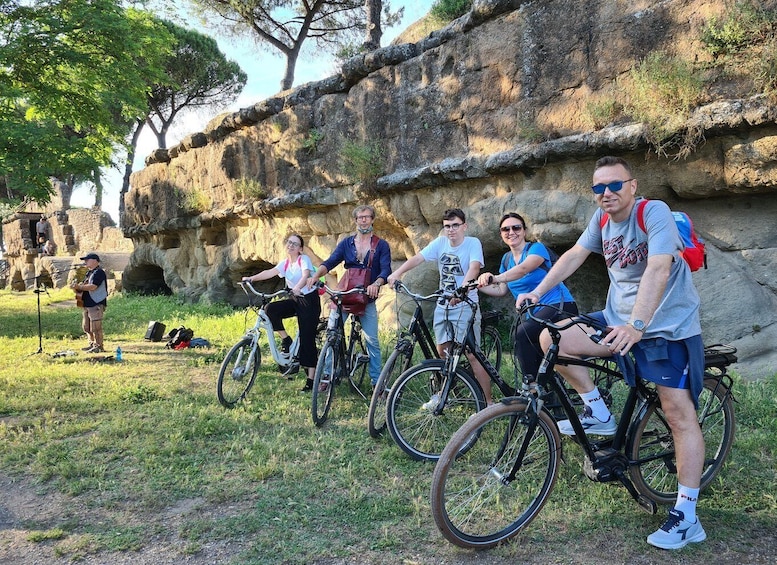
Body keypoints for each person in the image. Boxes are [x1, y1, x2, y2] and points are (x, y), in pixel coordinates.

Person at [517, 156, 707, 550]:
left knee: (677, 413)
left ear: (632, 185)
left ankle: (688, 515)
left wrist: (636, 326)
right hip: (616, 318)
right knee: (553, 339)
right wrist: (537, 291)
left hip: (664, 327)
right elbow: (572, 256)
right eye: (598, 188)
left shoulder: (654, 213)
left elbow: (657, 269)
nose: (606, 194)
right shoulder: (601, 220)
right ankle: (597, 410)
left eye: (614, 185)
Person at [388, 208, 493, 403]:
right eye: (447, 227)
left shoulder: (472, 243)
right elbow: (418, 258)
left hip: (465, 304)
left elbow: (474, 267)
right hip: (443, 304)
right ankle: (444, 392)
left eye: (455, 225)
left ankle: (488, 402)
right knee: (442, 351)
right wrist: (397, 273)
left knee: (472, 354)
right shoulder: (440, 243)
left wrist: (461, 291)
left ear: (464, 226)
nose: (451, 230)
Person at [477, 212, 578, 383]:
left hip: (560, 305)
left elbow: (523, 269)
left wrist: (496, 277)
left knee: (523, 334)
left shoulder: (536, 249)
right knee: (535, 350)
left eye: (516, 227)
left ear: (524, 231)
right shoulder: (507, 259)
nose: (511, 232)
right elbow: (501, 290)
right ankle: (549, 391)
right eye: (505, 229)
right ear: (501, 234)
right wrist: (478, 285)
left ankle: (530, 387)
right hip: (536, 312)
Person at [307, 205, 391, 389]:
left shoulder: (381, 245)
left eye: (367, 217)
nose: (363, 220)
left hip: (366, 297)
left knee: (372, 341)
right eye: (360, 217)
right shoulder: (347, 243)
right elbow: (330, 262)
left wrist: (376, 284)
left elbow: (386, 269)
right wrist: (315, 275)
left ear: (372, 219)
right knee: (332, 333)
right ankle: (328, 375)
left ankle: (377, 382)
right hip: (345, 294)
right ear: (355, 220)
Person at [242, 233, 321, 387]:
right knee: (270, 309)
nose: (291, 245)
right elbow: (269, 273)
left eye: (295, 244)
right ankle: (286, 339)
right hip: (294, 298)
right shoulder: (285, 263)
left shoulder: (303, 260)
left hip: (308, 301)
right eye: (289, 242)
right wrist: (251, 279)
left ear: (300, 249)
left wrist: (297, 287)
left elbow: (306, 274)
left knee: (307, 338)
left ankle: (311, 379)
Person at [72, 253, 108, 353]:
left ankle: (99, 346)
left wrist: (79, 287)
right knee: (86, 327)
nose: (85, 262)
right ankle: (91, 344)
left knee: (95, 327)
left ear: (95, 260)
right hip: (87, 303)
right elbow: (85, 286)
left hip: (96, 303)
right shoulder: (89, 273)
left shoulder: (99, 272)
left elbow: (93, 286)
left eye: (87, 260)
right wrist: (77, 289)